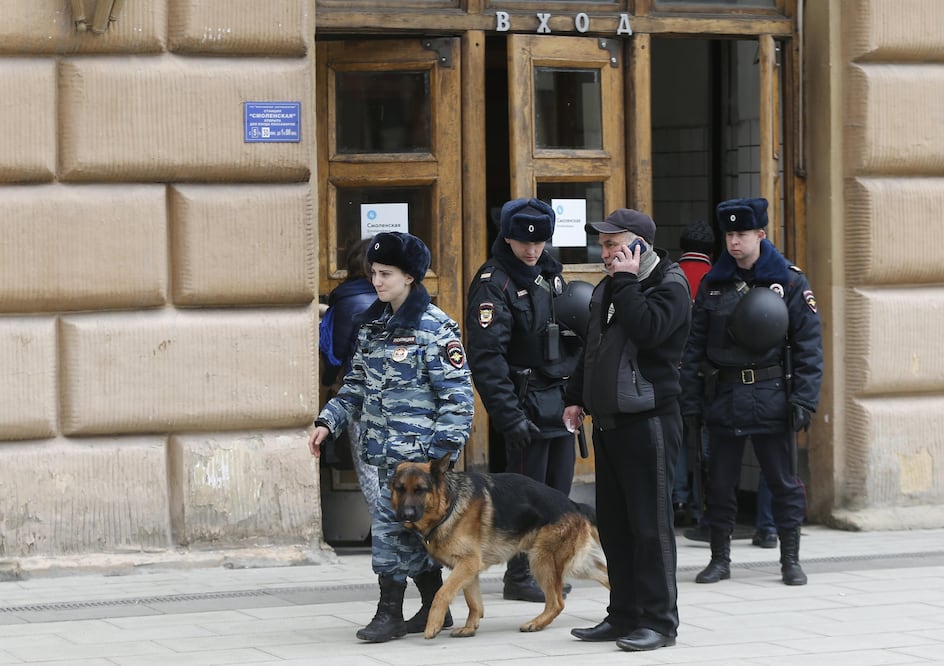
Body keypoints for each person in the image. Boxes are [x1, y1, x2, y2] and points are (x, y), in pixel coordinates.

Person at [308, 231, 474, 642]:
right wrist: (328, 421)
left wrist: (437, 460)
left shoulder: (435, 328)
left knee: (390, 531)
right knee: (407, 533)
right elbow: (355, 386)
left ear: (410, 278)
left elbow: (458, 399)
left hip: (419, 463)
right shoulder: (372, 326)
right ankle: (436, 605)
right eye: (374, 274)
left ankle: (389, 614)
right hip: (383, 456)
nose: (377, 282)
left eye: (386, 274)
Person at [563, 209, 691, 652]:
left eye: (613, 245)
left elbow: (649, 330)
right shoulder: (610, 287)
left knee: (650, 527)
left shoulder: (669, 285)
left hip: (650, 422)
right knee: (615, 527)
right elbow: (592, 348)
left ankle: (660, 623)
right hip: (610, 424)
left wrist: (628, 281)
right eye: (603, 246)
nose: (605, 253)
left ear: (639, 246)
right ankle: (623, 616)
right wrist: (575, 397)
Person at [680, 197, 823, 586]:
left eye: (741, 234)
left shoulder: (789, 281)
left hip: (772, 394)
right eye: (729, 234)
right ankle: (719, 559)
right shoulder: (713, 283)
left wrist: (804, 400)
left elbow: (809, 345)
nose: (733, 242)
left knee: (783, 482)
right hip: (723, 397)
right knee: (720, 484)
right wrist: (690, 401)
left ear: (761, 234)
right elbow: (694, 346)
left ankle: (790, 559)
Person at [465, 197, 585, 603]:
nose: (531, 250)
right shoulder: (493, 282)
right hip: (524, 404)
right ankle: (519, 576)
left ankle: (547, 566)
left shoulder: (551, 276)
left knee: (557, 494)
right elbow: (486, 358)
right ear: (508, 237)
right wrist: (508, 416)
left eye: (539, 243)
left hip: (558, 401)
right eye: (522, 243)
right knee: (523, 497)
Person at [320, 238, 382, 517]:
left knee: (368, 467)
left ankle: (384, 532)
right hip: (399, 395)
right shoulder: (397, 297)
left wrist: (329, 381)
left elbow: (338, 350)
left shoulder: (345, 300)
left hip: (361, 394)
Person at [673, 220, 715, 526]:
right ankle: (707, 503)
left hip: (672, 371)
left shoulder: (671, 276)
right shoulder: (717, 278)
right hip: (706, 374)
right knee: (705, 440)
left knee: (676, 439)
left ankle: (678, 497)